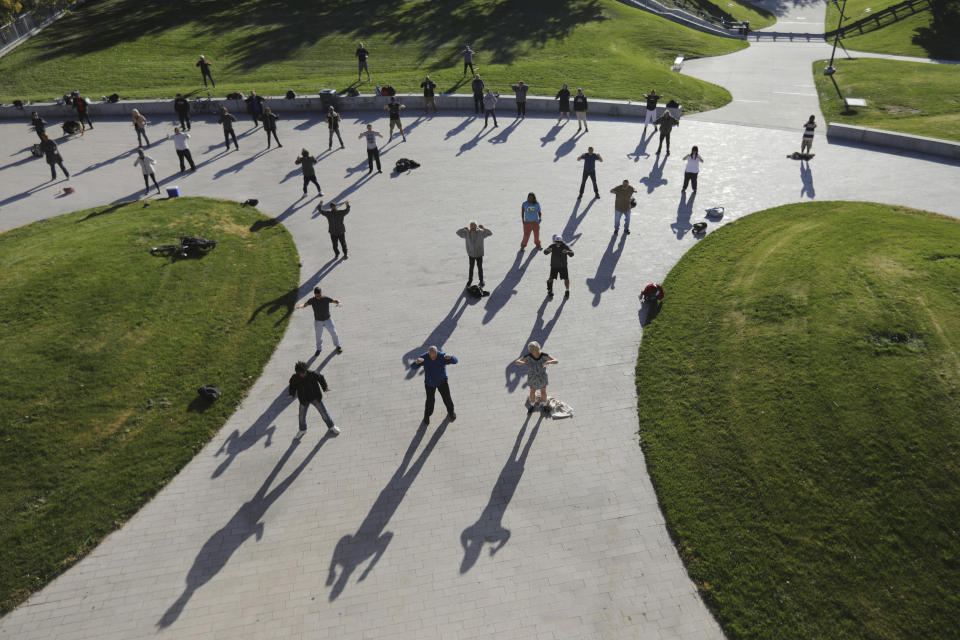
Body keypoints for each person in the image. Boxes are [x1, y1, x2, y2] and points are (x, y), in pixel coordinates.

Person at [288, 361, 339, 438]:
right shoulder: (294, 378)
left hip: (315, 397)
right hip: (304, 399)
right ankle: (302, 430)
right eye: (300, 373)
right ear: (297, 372)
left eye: (303, 372)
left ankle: (332, 426)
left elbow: (321, 378)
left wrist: (325, 387)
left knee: (323, 413)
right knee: (301, 416)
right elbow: (292, 386)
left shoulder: (313, 374)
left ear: (306, 370)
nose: (302, 374)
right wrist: (291, 393)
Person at [411, 346, 458, 425]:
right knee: (430, 401)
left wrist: (451, 357)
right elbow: (413, 367)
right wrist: (417, 362)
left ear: (437, 352)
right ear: (429, 353)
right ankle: (427, 416)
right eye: (431, 355)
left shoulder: (442, 356)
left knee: (447, 398)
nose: (433, 357)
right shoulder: (424, 357)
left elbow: (455, 361)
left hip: (442, 382)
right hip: (429, 383)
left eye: (435, 355)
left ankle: (451, 412)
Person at [296, 286, 343, 355]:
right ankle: (318, 349)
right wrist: (300, 306)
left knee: (334, 333)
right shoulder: (312, 300)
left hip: (328, 319)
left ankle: (338, 346)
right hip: (318, 321)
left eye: (319, 295)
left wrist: (339, 303)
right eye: (317, 296)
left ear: (321, 293)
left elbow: (334, 301)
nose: (318, 297)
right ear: (314, 294)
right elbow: (305, 304)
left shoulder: (326, 298)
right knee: (318, 336)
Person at [514, 341, 558, 412]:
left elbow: (556, 361)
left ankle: (544, 405)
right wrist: (524, 362)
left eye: (534, 350)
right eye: (531, 350)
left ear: (538, 348)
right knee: (532, 391)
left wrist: (549, 362)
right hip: (532, 378)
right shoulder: (528, 356)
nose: (533, 351)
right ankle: (532, 405)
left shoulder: (544, 355)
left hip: (542, 377)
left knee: (543, 392)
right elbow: (517, 362)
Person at [456, 221, 493, 288]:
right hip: (471, 254)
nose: (473, 227)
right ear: (470, 227)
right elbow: (458, 233)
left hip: (479, 254)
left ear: (476, 226)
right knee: (471, 268)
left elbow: (490, 233)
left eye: (474, 226)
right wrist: (463, 229)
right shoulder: (466, 233)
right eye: (471, 226)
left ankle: (481, 280)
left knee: (480, 268)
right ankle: (470, 281)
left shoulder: (481, 232)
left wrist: (484, 228)